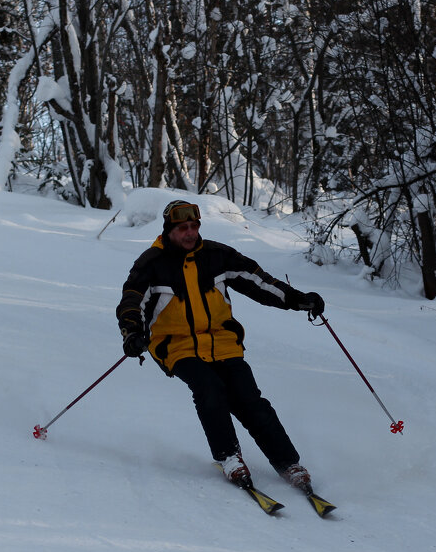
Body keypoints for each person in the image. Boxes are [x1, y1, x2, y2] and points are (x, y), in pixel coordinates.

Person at [116, 199, 325, 490]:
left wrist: (297, 299)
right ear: (168, 230)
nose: (189, 233)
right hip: (176, 345)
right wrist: (131, 331)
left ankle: (288, 463)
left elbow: (260, 282)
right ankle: (229, 457)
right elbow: (132, 301)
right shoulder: (151, 263)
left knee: (249, 399)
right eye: (182, 228)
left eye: (193, 226)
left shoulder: (217, 255)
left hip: (223, 342)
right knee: (209, 389)